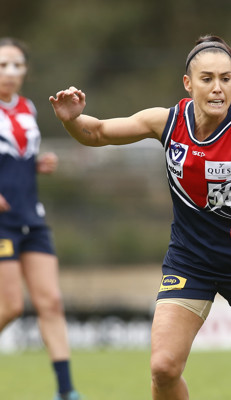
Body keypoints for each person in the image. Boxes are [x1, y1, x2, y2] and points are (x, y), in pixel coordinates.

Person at [49, 35, 231, 400]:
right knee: (163, 368)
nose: (218, 87)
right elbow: (96, 133)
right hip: (190, 262)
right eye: (207, 78)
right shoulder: (166, 122)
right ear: (188, 84)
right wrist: (71, 120)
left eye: (226, 78)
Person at [0, 37, 82, 400]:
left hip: (31, 217)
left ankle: (66, 392)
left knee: (50, 302)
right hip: (1, 223)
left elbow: (16, 160)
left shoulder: (28, 108)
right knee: (12, 306)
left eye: (17, 65)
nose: (10, 72)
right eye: (3, 65)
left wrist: (39, 164)